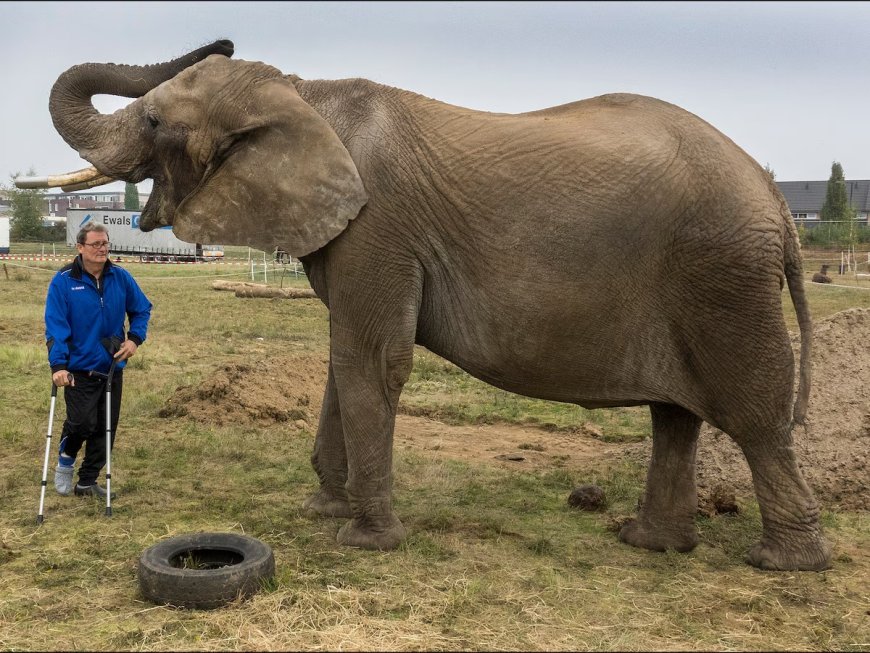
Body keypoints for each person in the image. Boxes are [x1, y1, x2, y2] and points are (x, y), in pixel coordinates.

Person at [44, 223, 152, 498]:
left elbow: (141, 309)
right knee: (82, 423)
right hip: (78, 368)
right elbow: (55, 326)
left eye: (105, 243)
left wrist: (134, 339)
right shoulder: (64, 281)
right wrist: (58, 366)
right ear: (80, 247)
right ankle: (66, 458)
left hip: (112, 365)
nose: (103, 248)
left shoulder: (121, 277)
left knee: (106, 428)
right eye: (96, 244)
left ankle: (87, 482)